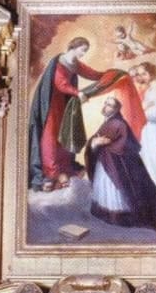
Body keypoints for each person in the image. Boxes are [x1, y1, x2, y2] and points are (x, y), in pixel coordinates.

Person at [28, 36, 104, 192]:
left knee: (64, 135)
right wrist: (78, 93)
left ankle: (62, 169)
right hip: (51, 104)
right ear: (74, 47)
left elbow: (89, 73)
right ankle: (51, 172)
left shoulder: (74, 63)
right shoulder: (61, 61)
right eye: (83, 50)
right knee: (50, 136)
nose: (83, 53)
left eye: (86, 51)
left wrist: (106, 76)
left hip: (64, 104)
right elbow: (60, 83)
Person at [85, 95, 156, 229]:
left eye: (109, 105)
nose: (105, 106)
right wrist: (95, 142)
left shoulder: (118, 123)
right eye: (105, 103)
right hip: (106, 161)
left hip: (115, 163)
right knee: (105, 188)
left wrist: (101, 143)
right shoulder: (109, 121)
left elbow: (124, 143)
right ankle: (106, 213)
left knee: (115, 188)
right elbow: (98, 138)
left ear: (115, 109)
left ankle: (118, 216)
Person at [136, 62, 156, 191]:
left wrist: (143, 113)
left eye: (144, 73)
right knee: (147, 159)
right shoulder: (150, 88)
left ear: (151, 72)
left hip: (155, 129)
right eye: (140, 74)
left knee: (155, 159)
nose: (142, 77)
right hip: (147, 129)